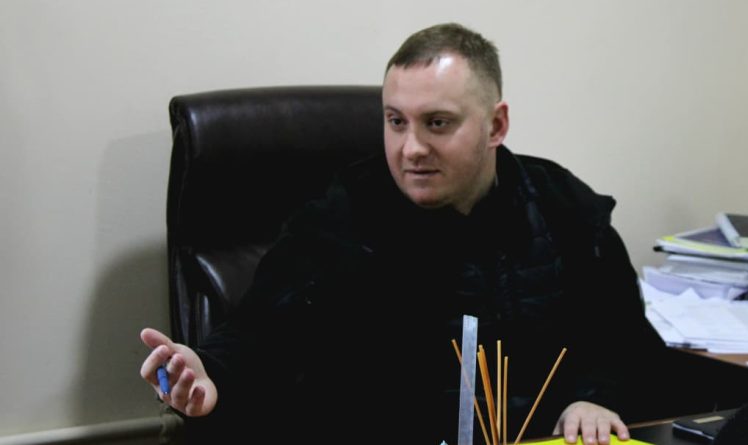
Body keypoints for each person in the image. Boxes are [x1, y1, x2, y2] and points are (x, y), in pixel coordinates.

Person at [140, 22, 665, 444]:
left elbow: (622, 340)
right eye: (396, 121)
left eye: (437, 123)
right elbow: (262, 332)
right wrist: (208, 368)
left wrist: (596, 398)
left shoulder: (563, 206)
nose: (410, 149)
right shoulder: (343, 217)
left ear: (496, 126)